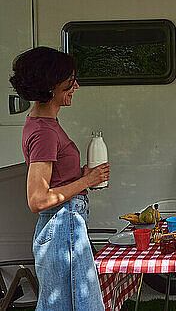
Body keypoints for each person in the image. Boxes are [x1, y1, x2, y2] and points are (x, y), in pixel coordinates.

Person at [9, 46, 110, 310]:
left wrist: (80, 175)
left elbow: (54, 182)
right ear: (51, 86)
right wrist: (86, 182)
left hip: (64, 225)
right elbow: (38, 199)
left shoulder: (45, 124)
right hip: (63, 225)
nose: (75, 86)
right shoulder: (44, 132)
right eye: (69, 82)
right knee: (74, 304)